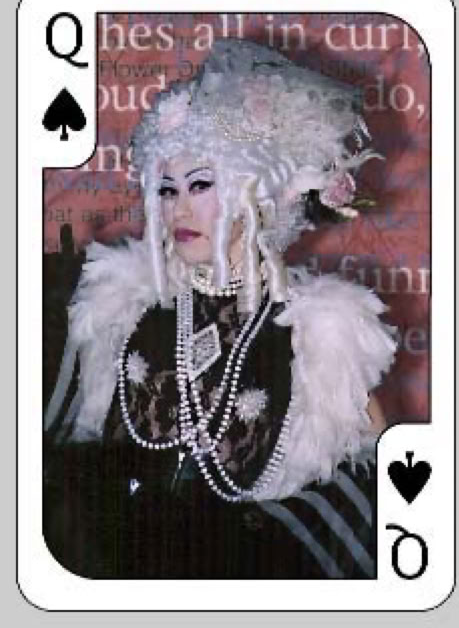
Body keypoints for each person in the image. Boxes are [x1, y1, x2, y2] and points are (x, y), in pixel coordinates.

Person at [44, 38, 397, 579]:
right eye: (166, 190)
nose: (178, 208)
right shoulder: (122, 306)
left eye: (201, 185)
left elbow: (373, 489)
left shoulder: (317, 331)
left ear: (257, 196)